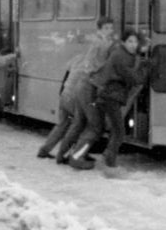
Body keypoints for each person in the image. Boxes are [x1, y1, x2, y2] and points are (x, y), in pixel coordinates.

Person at [69, 29, 151, 169]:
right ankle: (104, 159)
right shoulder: (120, 56)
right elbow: (133, 78)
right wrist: (147, 67)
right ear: (123, 42)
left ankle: (79, 154)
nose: (133, 45)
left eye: (135, 42)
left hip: (105, 94)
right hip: (108, 96)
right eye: (130, 41)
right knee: (116, 131)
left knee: (98, 129)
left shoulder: (125, 54)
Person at [43, 17, 116, 163]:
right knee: (95, 127)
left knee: (78, 124)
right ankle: (77, 156)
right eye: (106, 28)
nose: (109, 31)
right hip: (88, 87)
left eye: (111, 28)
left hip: (81, 88)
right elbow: (94, 65)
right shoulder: (99, 43)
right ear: (100, 28)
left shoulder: (100, 43)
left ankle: (62, 155)